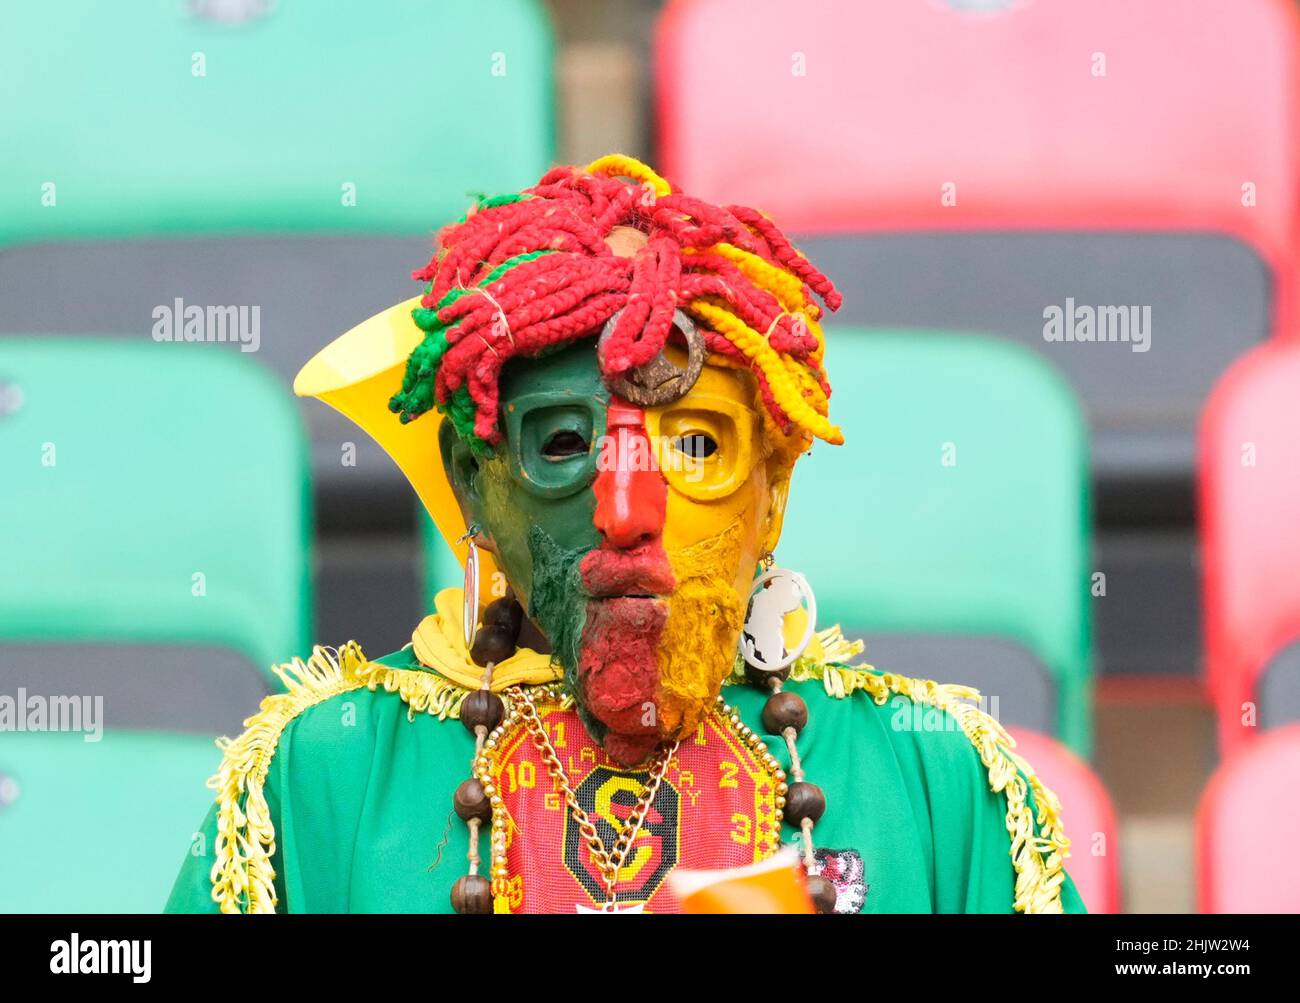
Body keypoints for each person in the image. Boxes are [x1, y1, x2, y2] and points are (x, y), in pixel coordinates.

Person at [165, 155, 1084, 914]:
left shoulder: (935, 779)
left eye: (697, 444)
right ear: (471, 484)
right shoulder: (324, 778)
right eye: (564, 444)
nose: (628, 509)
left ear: (774, 492)